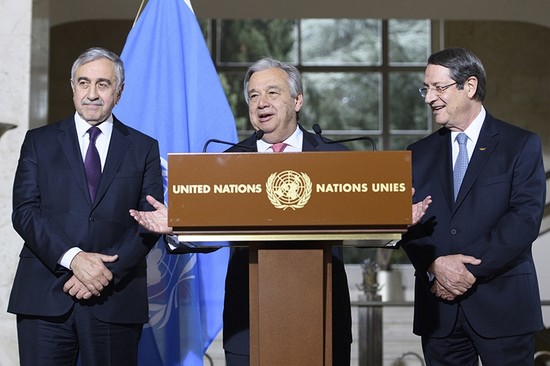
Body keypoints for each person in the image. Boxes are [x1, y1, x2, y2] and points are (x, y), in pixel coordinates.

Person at [130, 57, 432, 366]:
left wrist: (394, 218)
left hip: (324, 314)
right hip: (249, 317)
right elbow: (207, 238)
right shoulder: (228, 163)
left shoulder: (336, 159)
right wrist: (179, 224)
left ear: (297, 99)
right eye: (253, 95)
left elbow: (369, 224)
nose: (261, 103)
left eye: (272, 92)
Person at [8, 47, 164, 366]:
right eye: (84, 82)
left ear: (118, 93)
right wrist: (74, 259)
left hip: (115, 298)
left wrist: (102, 272)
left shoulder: (143, 148)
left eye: (103, 84)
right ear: (73, 87)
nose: (92, 94)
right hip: (44, 297)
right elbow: (24, 211)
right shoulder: (39, 141)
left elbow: (148, 221)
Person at [399, 47, 546, 366]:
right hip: (439, 313)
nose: (429, 98)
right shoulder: (417, 154)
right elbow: (406, 224)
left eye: (439, 87)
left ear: (470, 86)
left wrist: (464, 271)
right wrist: (434, 265)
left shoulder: (520, 145)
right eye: (426, 88)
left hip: (504, 309)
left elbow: (523, 220)